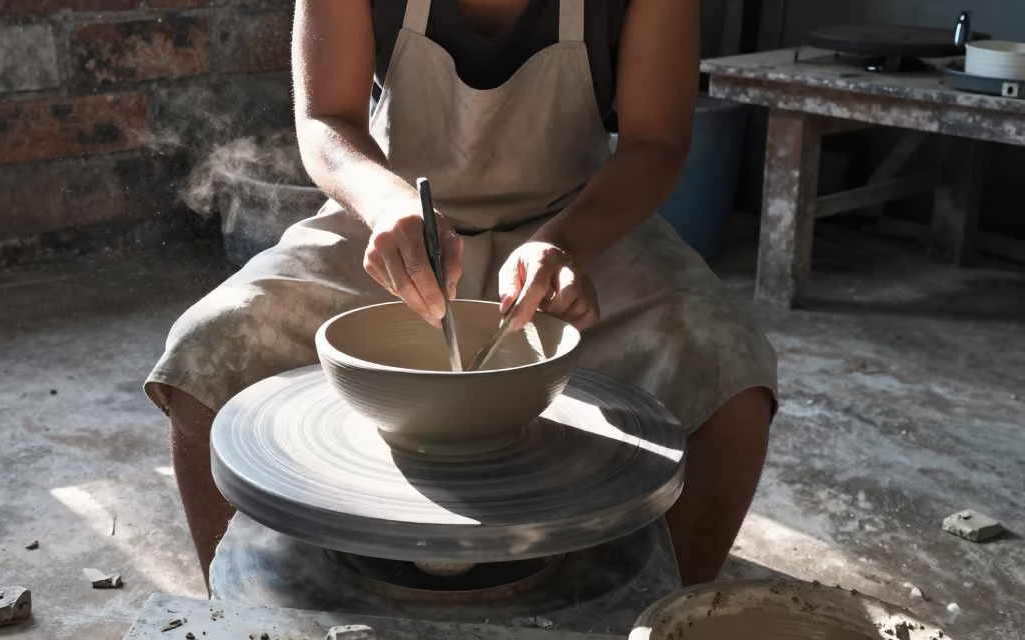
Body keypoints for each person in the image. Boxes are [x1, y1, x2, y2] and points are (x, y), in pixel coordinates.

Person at [146, 0, 778, 588]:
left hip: (578, 224)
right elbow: (325, 119)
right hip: (393, 226)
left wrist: (569, 242)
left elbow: (656, 141)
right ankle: (240, 626)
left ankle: (660, 632)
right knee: (208, 352)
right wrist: (385, 201)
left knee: (729, 375)